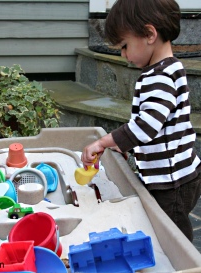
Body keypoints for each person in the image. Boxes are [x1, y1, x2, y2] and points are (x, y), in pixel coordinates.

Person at [81, 0, 201, 242]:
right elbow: (159, 129)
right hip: (179, 174)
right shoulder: (171, 68)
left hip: (171, 183)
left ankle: (185, 265)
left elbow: (147, 125)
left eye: (125, 46)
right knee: (166, 225)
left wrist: (105, 141)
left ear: (149, 34)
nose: (124, 55)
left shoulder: (160, 78)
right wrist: (126, 145)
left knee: (172, 235)